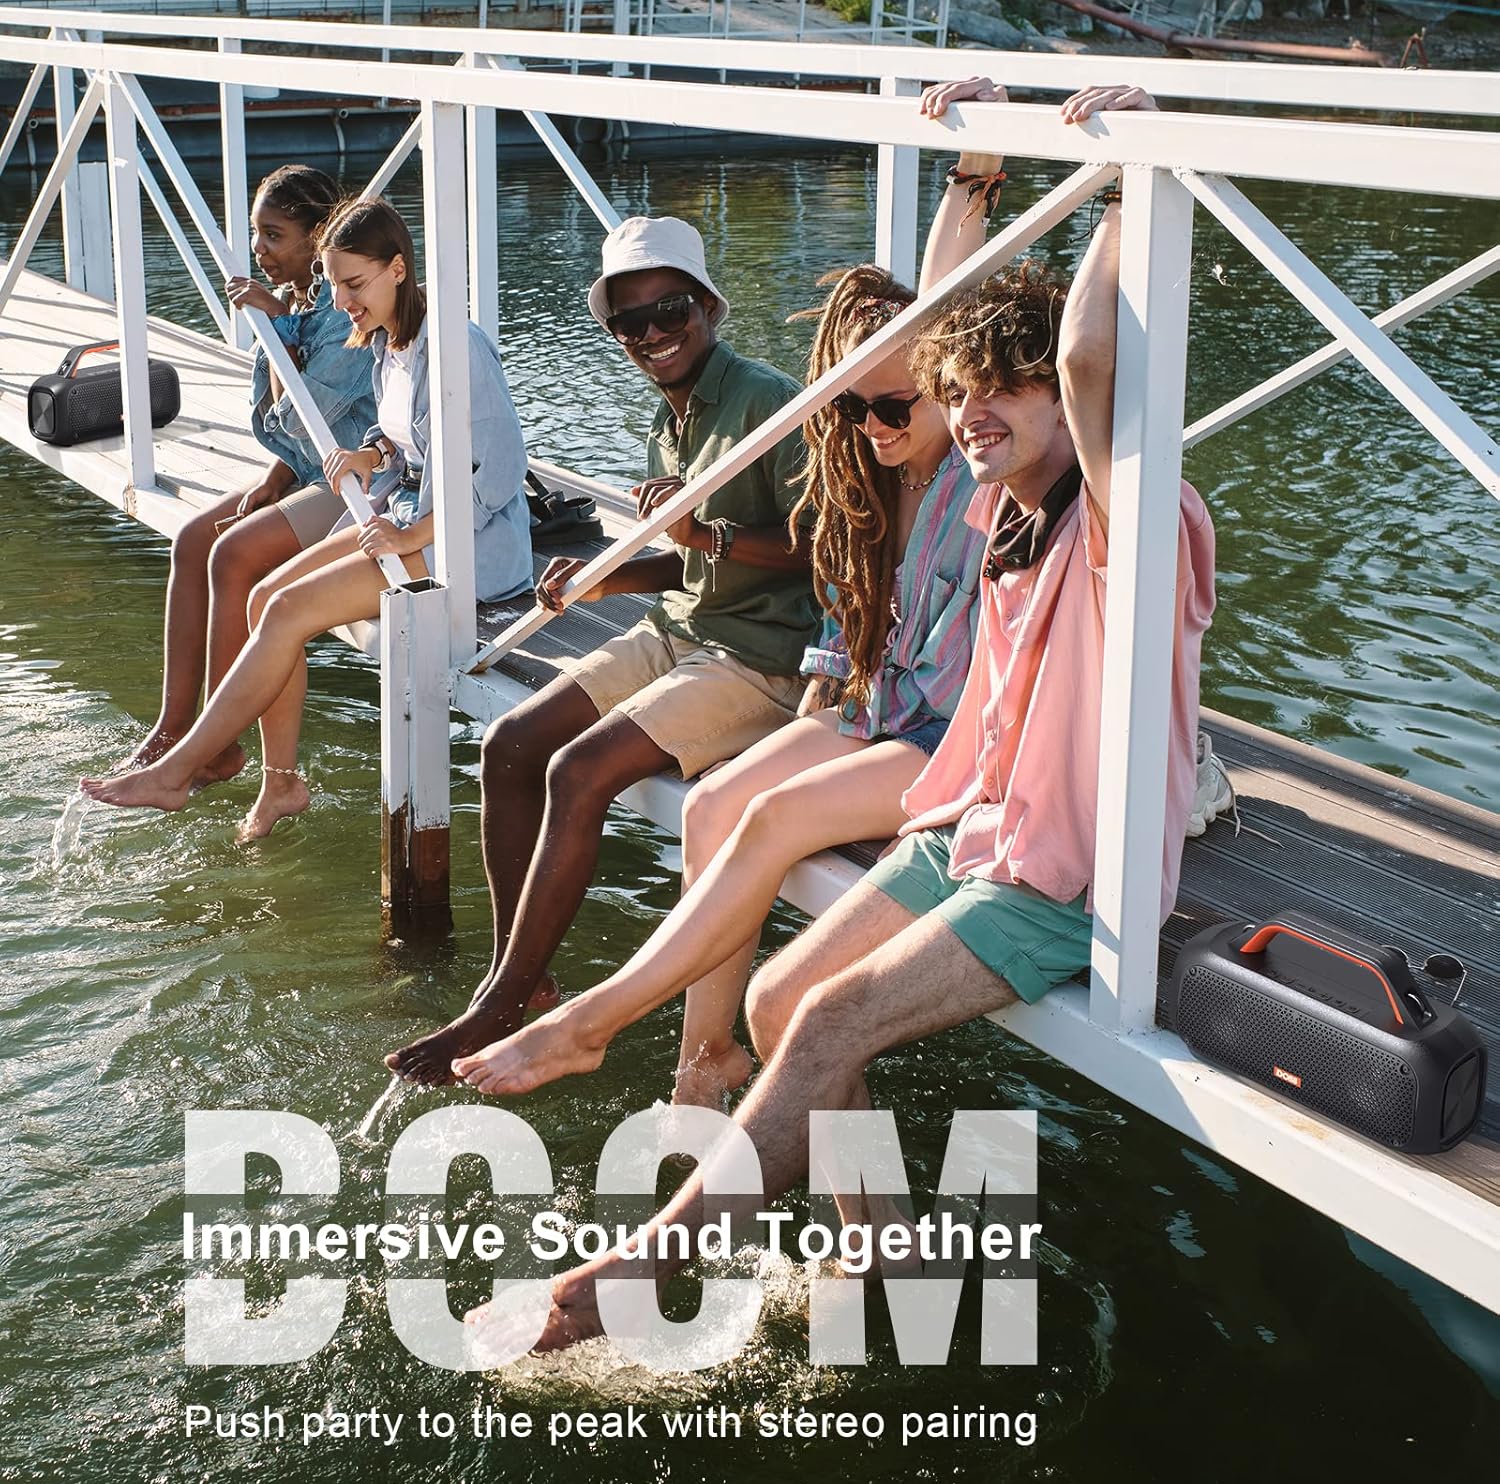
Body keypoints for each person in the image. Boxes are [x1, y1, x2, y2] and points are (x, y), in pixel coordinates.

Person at [464, 80, 1218, 1354]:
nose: (969, 414)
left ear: (1072, 409)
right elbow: (937, 337)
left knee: (822, 1021)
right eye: (961, 394)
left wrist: (1128, 177)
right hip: (967, 829)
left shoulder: (1128, 527)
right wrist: (974, 176)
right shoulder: (995, 507)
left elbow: (1091, 362)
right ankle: (881, 1246)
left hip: (1062, 880)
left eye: (1009, 393)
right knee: (775, 1002)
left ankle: (631, 1278)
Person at [449, 245, 990, 1108]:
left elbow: (973, 318)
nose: (871, 425)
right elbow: (840, 606)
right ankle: (700, 1061)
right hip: (862, 696)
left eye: (892, 406)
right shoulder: (872, 469)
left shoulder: (982, 481)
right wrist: (612, 577)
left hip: (934, 732)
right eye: (851, 407)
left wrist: (975, 185)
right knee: (693, 805)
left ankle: (584, 1020)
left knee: (758, 877)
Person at [384, 215, 818, 1085]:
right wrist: (602, 581)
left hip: (759, 658)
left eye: (669, 312)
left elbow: (822, 548)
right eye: (629, 323)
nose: (652, 334)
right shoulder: (670, 415)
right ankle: (522, 975)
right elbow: (688, 560)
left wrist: (708, 536)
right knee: (510, 745)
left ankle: (501, 1002)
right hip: (680, 630)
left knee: (578, 772)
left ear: (707, 307)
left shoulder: (769, 403)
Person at [81, 198, 533, 836]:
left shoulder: (457, 347)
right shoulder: (388, 340)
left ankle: (176, 771)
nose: (342, 302)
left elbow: (497, 472)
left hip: (470, 547)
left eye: (355, 284)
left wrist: (413, 534)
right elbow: (404, 435)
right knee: (264, 596)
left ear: (397, 269)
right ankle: (281, 784)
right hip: (405, 519)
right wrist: (372, 453)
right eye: (335, 285)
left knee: (289, 610)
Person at [122, 165, 376, 783]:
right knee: (193, 540)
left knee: (233, 556)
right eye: (256, 233)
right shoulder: (301, 299)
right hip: (310, 470)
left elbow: (306, 415)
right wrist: (275, 475)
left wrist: (278, 328)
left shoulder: (344, 313)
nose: (258, 250)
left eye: (274, 235)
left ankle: (217, 743)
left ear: (318, 238)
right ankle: (173, 726)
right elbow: (297, 439)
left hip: (359, 483)